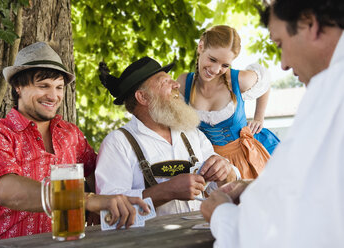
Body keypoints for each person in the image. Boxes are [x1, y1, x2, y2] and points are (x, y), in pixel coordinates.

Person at [0, 42, 148, 243]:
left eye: (59, 87)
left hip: (68, 242)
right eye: (43, 86)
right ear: (17, 86)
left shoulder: (70, 134)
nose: (53, 96)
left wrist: (102, 209)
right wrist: (86, 201)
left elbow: (97, 173)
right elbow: (4, 190)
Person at [200, 0, 344, 247]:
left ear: (310, 23)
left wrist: (222, 215)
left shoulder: (332, 89)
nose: (284, 63)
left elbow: (285, 231)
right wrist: (254, 187)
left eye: (281, 44)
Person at [95, 56, 241, 216]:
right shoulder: (118, 143)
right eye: (164, 82)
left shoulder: (192, 134)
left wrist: (226, 172)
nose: (177, 84)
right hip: (149, 240)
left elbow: (223, 184)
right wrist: (167, 191)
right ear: (142, 97)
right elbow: (108, 207)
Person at [177, 25, 280, 179]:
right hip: (212, 166)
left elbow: (265, 81)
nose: (216, 69)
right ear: (201, 47)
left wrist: (259, 117)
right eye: (212, 59)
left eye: (225, 65)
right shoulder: (185, 82)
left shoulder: (238, 80)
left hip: (249, 156)